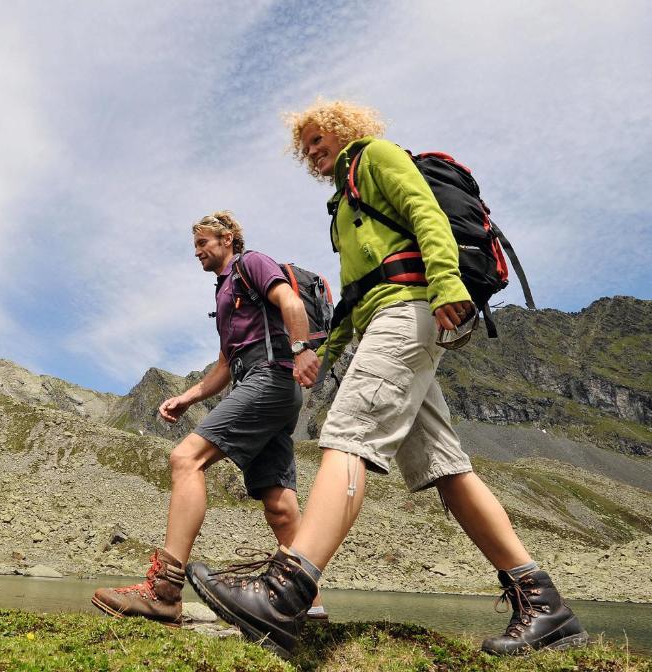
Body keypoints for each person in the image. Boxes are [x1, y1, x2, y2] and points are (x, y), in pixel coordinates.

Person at [186, 100, 588, 657]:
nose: (312, 149)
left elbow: (426, 215)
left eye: (318, 136)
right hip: (385, 317)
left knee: (348, 435)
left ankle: (285, 589)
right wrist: (322, 356)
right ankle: (545, 605)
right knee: (448, 469)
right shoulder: (343, 205)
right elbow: (354, 298)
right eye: (303, 146)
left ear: (345, 127)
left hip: (410, 312)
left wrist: (447, 283)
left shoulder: (375, 157)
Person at [91, 211, 326, 625]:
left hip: (269, 377)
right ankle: (310, 608)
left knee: (186, 459)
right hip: (260, 382)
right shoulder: (224, 293)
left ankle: (164, 591)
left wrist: (302, 347)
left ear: (227, 238)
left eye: (203, 243)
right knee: (279, 503)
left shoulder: (251, 264)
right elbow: (223, 364)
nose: (197, 252)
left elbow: (289, 300)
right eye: (195, 246)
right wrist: (187, 397)